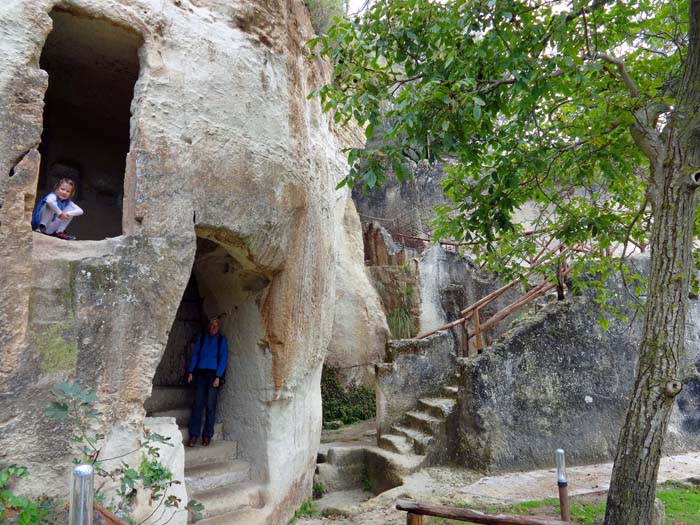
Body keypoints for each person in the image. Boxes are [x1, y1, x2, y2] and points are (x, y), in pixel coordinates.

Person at [186, 317, 228, 447]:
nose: (214, 328)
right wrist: (190, 371)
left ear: (219, 327)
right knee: (198, 404)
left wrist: (218, 376)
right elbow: (196, 355)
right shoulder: (202, 338)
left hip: (213, 376)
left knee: (210, 405)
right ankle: (193, 435)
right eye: (212, 325)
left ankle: (207, 435)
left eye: (216, 326)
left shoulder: (221, 340)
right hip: (200, 374)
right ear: (209, 326)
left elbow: (223, 359)